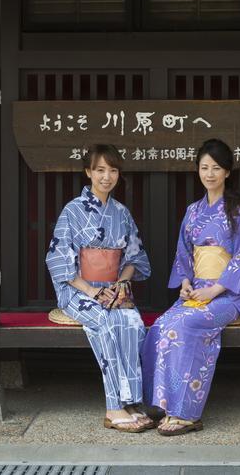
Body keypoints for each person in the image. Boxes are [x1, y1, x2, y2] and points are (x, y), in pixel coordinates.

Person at [141, 138, 240, 436]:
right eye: (204, 167)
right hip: (198, 290)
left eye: (216, 168)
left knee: (186, 325)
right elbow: (184, 255)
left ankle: (186, 413)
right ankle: (159, 404)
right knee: (160, 327)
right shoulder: (193, 212)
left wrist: (214, 290)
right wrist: (185, 283)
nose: (209, 174)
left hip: (231, 294)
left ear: (227, 172)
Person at [46, 144, 154, 432]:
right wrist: (91, 291)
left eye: (113, 170)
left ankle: (132, 400)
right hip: (78, 289)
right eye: (100, 170)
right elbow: (60, 259)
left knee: (131, 321)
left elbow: (133, 258)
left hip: (112, 289)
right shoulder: (73, 211)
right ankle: (113, 406)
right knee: (104, 322)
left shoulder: (121, 212)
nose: (107, 176)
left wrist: (122, 283)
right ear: (88, 172)